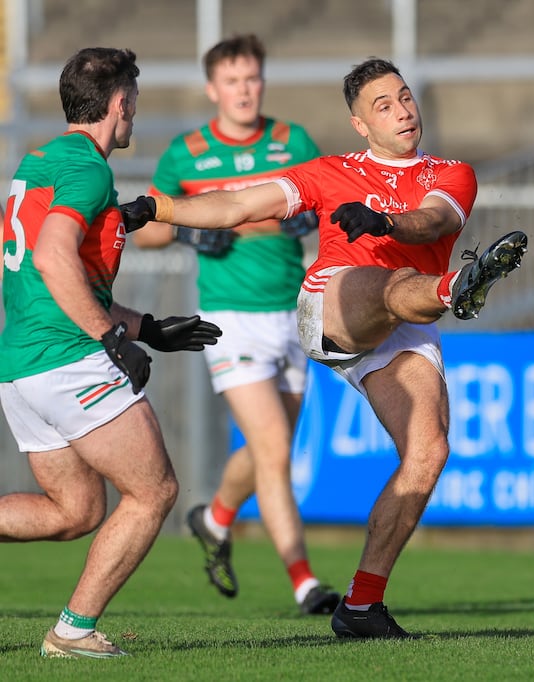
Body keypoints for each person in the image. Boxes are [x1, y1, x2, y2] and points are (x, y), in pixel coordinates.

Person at [118, 57, 528, 639]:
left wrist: (386, 225)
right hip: (333, 306)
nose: (403, 111)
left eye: (405, 97)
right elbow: (239, 205)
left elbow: (434, 222)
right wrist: (157, 208)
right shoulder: (331, 171)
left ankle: (360, 604)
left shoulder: (451, 171)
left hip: (409, 320)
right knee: (378, 296)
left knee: (428, 451)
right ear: (360, 125)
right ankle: (457, 289)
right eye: (383, 105)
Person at [0, 47, 221, 658]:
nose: (133, 116)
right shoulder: (89, 169)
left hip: (20, 365)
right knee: (154, 492)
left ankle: (74, 631)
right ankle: (73, 632)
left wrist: (145, 326)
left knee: (73, 511)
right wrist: (110, 338)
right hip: (66, 359)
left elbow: (51, 279)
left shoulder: (39, 159)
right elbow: (51, 259)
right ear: (120, 104)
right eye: (134, 104)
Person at [131, 34, 339, 615]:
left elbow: (324, 202)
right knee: (273, 449)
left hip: (293, 313)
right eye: (232, 80)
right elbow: (144, 227)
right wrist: (188, 228)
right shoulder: (187, 153)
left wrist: (307, 224)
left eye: (252, 78)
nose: (244, 90)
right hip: (230, 320)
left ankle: (215, 517)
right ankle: (305, 582)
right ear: (212, 89)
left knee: (273, 447)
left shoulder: (292, 140)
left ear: (262, 82)